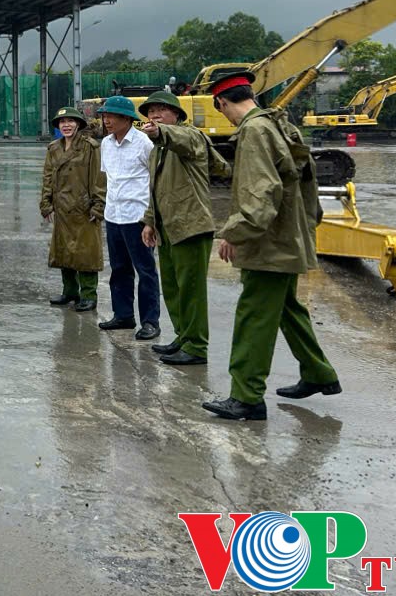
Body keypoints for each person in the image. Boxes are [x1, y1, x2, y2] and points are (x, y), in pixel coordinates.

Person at [201, 69, 342, 422]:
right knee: (286, 308)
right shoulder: (280, 124)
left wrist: (236, 231)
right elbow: (306, 179)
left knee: (253, 314)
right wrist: (308, 225)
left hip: (269, 243)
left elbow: (261, 190)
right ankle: (318, 373)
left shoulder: (253, 130)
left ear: (221, 102)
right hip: (289, 236)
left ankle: (246, 396)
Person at [138, 91, 230, 366]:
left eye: (161, 110)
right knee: (174, 288)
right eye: (150, 111)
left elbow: (179, 138)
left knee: (191, 290)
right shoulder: (158, 151)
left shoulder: (191, 137)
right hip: (167, 227)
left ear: (177, 114)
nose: (154, 115)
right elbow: (155, 189)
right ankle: (184, 336)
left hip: (190, 225)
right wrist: (149, 221)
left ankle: (197, 346)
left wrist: (160, 131)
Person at [96, 95, 161, 340]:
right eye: (104, 116)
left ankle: (150, 321)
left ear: (127, 119)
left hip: (138, 217)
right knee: (119, 269)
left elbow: (155, 180)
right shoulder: (106, 144)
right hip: (113, 215)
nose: (106, 120)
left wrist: (150, 220)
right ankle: (123, 315)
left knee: (145, 271)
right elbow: (110, 179)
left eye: (111, 116)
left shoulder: (144, 143)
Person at [40, 106, 106, 312]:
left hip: (83, 207)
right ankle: (69, 291)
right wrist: (46, 203)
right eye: (62, 122)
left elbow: (99, 178)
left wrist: (98, 206)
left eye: (70, 121)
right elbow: (48, 177)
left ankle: (88, 295)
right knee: (64, 251)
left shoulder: (90, 147)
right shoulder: (54, 148)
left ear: (78, 124)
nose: (66, 125)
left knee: (86, 253)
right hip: (61, 208)